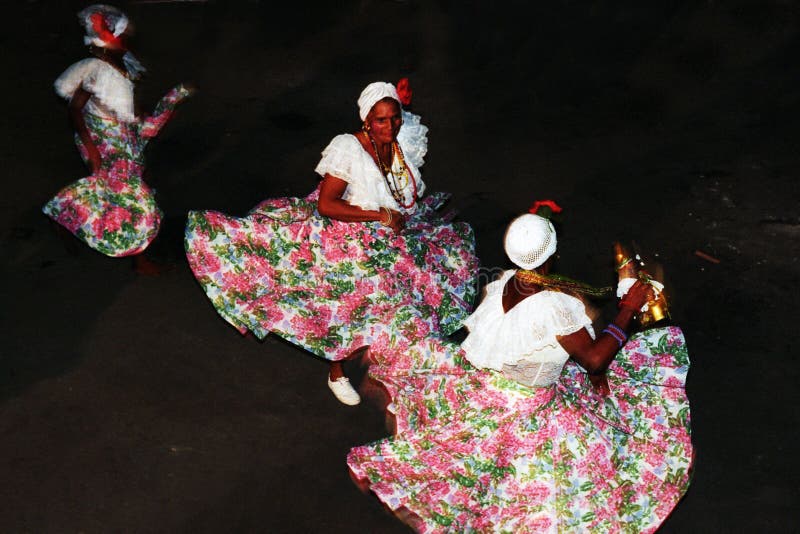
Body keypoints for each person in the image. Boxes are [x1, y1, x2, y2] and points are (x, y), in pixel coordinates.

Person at [347, 204, 694, 532]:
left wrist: (539, 216)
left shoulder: (508, 280)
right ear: (553, 255)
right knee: (561, 484)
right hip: (532, 404)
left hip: (497, 390)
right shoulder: (553, 307)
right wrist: (627, 309)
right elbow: (593, 359)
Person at [184, 80, 479, 405]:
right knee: (347, 305)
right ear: (367, 119)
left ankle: (393, 370)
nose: (391, 125)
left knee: (410, 297)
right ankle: (337, 371)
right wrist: (378, 216)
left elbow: (402, 185)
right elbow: (327, 204)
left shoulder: (400, 137)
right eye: (381, 120)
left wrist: (390, 216)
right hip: (349, 231)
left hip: (389, 237)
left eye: (395, 117)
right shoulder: (348, 149)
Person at [43, 4, 192, 275]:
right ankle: (139, 259)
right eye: (121, 35)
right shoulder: (94, 69)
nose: (126, 39)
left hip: (122, 136)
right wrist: (93, 151)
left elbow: (123, 97)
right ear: (107, 38)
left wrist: (138, 112)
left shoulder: (120, 60)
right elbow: (75, 110)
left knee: (117, 194)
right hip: (104, 142)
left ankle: (64, 213)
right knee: (138, 200)